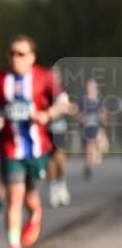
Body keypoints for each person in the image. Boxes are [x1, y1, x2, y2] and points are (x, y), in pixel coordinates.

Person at [0, 35, 71, 248]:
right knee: (14, 198)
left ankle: (35, 215)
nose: (15, 58)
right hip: (10, 148)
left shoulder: (44, 77)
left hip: (37, 149)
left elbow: (64, 102)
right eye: (11, 53)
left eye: (21, 54)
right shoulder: (1, 79)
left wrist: (47, 115)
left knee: (31, 198)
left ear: (32, 57)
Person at [47, 66, 72, 206]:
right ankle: (53, 189)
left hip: (60, 129)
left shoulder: (62, 93)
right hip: (47, 130)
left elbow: (67, 107)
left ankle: (62, 185)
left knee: (60, 158)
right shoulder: (43, 92)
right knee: (49, 161)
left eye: (56, 76)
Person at [79, 78, 107, 180]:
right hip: (86, 128)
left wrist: (103, 127)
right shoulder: (83, 101)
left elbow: (103, 114)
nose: (90, 89)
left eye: (93, 87)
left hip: (96, 127)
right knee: (88, 149)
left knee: (97, 146)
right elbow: (79, 115)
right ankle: (88, 166)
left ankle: (92, 161)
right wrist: (82, 118)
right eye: (89, 87)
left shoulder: (99, 100)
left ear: (96, 88)